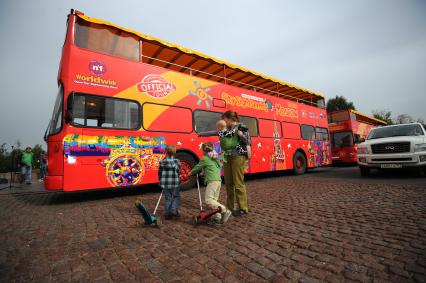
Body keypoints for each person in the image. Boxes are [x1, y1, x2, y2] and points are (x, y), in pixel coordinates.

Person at [189, 142, 232, 224]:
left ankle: (225, 210)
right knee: (214, 200)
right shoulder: (215, 158)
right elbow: (217, 166)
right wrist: (204, 172)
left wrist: (190, 173)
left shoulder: (205, 158)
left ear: (203, 151)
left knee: (208, 200)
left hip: (212, 181)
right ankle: (217, 217)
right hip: (218, 181)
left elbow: (197, 167)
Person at [221, 110, 252, 216]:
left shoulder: (242, 126)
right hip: (227, 157)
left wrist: (241, 135)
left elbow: (247, 141)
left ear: (230, 119)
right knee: (228, 183)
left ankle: (243, 208)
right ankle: (229, 207)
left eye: (224, 119)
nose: (223, 121)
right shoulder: (226, 129)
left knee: (238, 183)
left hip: (238, 156)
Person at [158, 144, 181, 220]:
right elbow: (178, 172)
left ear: (166, 152)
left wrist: (160, 180)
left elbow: (160, 173)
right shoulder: (177, 162)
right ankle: (174, 209)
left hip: (165, 183)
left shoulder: (162, 162)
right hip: (175, 183)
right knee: (175, 196)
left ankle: (167, 214)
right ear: (174, 153)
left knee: (168, 198)